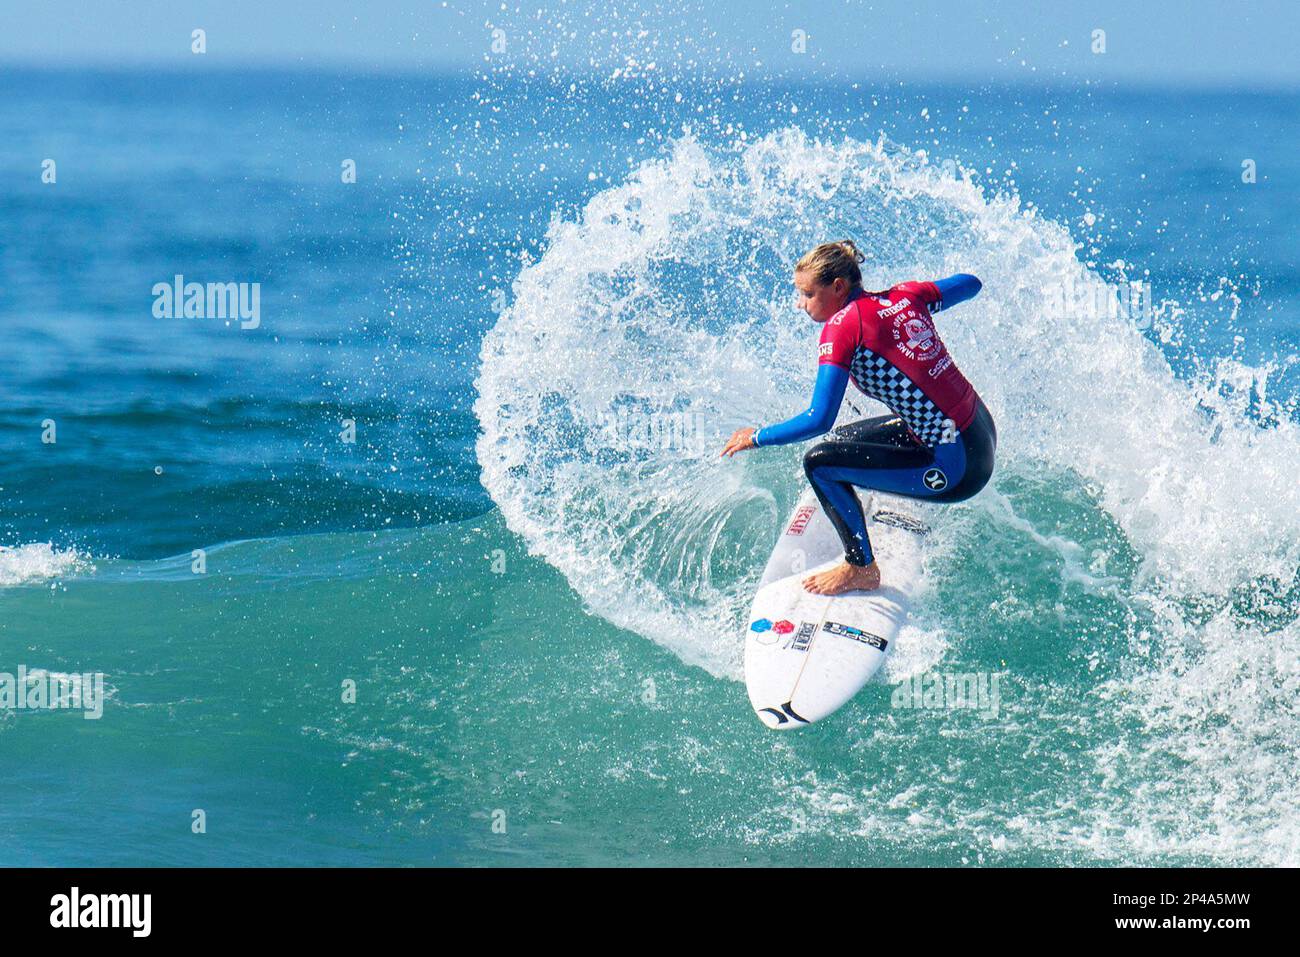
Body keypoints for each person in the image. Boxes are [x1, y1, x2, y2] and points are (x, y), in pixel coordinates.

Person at [720, 240, 996, 595]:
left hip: (960, 471)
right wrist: (921, 305)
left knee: (819, 464)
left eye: (807, 294)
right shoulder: (904, 296)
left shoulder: (842, 328)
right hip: (977, 431)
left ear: (837, 287)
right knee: (840, 444)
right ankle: (871, 485)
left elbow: (818, 418)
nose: (800, 304)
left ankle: (860, 567)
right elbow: (971, 283)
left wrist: (756, 436)